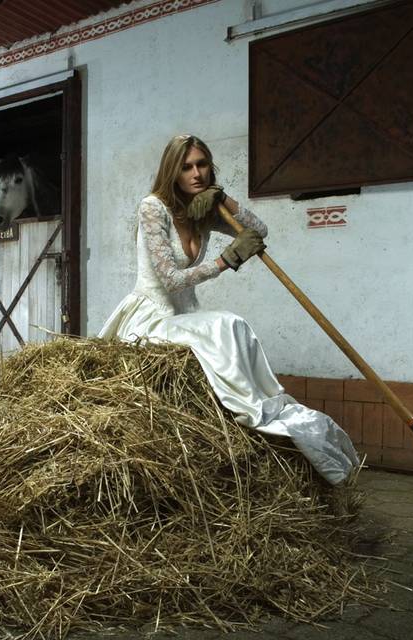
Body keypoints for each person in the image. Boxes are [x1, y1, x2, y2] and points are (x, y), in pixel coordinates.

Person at [99, 134, 358, 484]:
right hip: (153, 318)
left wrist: (224, 200)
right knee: (228, 323)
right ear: (172, 171)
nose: (196, 173)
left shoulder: (202, 211)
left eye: (202, 164)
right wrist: (227, 258)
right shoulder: (153, 208)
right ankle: (250, 411)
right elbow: (172, 280)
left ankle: (267, 410)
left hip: (186, 316)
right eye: (186, 166)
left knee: (233, 326)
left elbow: (259, 229)